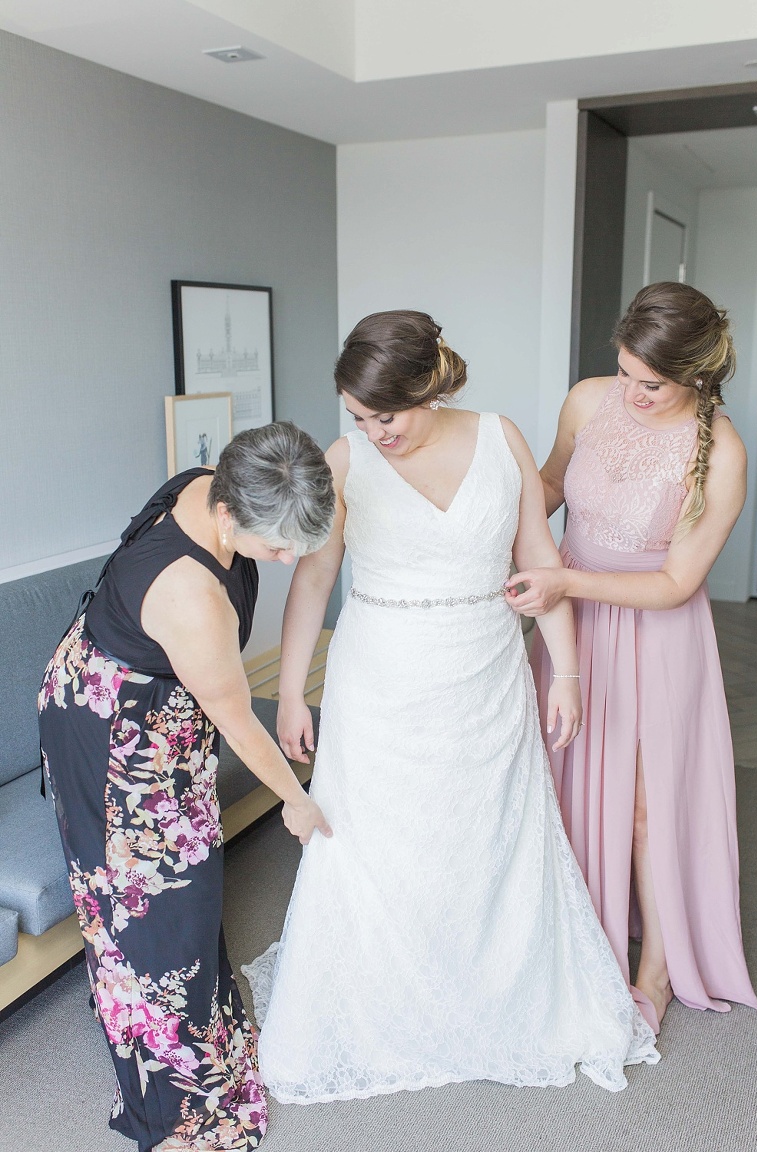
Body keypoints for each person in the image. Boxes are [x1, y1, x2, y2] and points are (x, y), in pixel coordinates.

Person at [242, 310, 658, 1104]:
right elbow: (316, 583)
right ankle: (382, 1001)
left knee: (485, 838)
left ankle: (493, 992)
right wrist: (293, 690)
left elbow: (540, 559)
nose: (374, 432)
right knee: (377, 842)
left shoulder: (502, 439)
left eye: (386, 415)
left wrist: (565, 672)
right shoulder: (344, 459)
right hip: (379, 681)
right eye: (359, 417)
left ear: (430, 385)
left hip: (486, 675)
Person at [38, 423, 336, 1152]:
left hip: (159, 707)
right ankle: (174, 1101)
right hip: (111, 733)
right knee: (147, 902)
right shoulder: (190, 595)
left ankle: (198, 1027)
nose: (288, 558)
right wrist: (297, 801)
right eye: (277, 547)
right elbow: (238, 722)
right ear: (230, 515)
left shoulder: (218, 478)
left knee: (187, 888)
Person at [508, 282, 757, 1034]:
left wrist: (563, 579)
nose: (632, 391)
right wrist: (499, 535)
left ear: (697, 376)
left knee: (649, 806)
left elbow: (678, 582)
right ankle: (576, 931)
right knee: (558, 775)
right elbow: (549, 485)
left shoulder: (724, 454)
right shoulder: (588, 401)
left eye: (651, 382)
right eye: (624, 372)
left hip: (656, 637)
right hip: (569, 623)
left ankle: (653, 968)